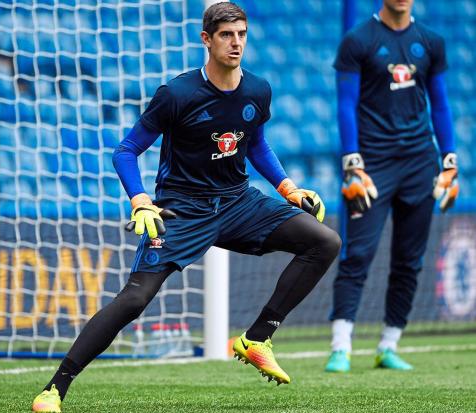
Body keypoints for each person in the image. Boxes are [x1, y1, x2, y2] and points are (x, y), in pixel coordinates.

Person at [32, 2, 341, 411]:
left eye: (242, 34)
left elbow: (256, 144)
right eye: (227, 35)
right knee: (135, 299)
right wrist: (141, 201)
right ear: (206, 39)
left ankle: (257, 337)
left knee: (324, 242)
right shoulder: (177, 94)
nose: (236, 43)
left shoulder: (258, 90)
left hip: (238, 202)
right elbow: (126, 151)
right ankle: (54, 389)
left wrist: (288, 188)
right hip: (183, 210)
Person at [326, 0, 458, 373]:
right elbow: (346, 105)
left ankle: (389, 344)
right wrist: (352, 161)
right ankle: (340, 346)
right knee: (357, 254)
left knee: (409, 260)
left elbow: (440, 104)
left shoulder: (431, 42)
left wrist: (449, 158)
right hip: (372, 165)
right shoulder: (357, 41)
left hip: (420, 163)